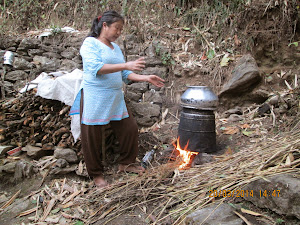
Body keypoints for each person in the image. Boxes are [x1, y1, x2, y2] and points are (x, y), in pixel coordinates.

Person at [70, 10, 165, 188]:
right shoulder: (90, 43)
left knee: (129, 128)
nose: (119, 32)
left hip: (114, 97)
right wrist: (125, 64)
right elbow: (95, 68)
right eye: (117, 28)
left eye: (121, 29)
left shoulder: (116, 49)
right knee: (92, 137)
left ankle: (126, 163)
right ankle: (96, 174)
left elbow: (125, 74)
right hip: (95, 97)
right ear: (104, 25)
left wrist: (145, 78)